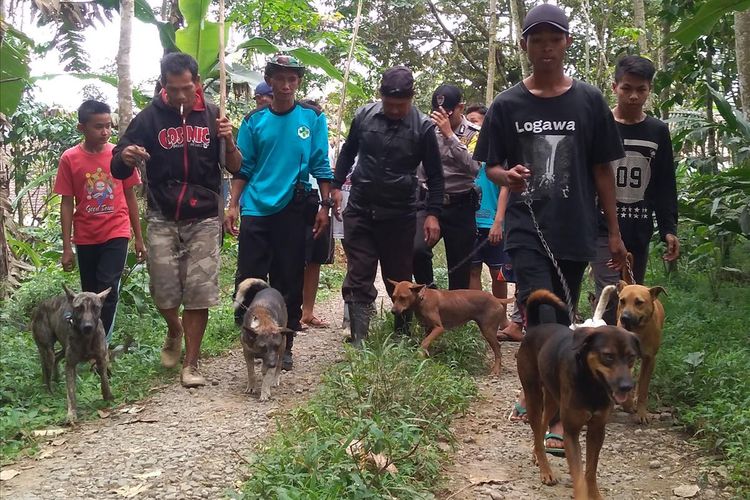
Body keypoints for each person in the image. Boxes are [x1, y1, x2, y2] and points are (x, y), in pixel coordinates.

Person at [474, 3, 626, 453]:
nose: (545, 48)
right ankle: (552, 409)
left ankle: (547, 398)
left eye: (553, 39)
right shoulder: (507, 104)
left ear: (566, 43)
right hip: (527, 225)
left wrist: (613, 232)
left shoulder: (590, 100)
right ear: (524, 45)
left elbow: (602, 170)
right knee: (540, 313)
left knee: (562, 318)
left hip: (576, 226)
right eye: (536, 39)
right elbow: (493, 167)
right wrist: (507, 178)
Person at [111, 52, 242, 387]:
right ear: (163, 86)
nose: (181, 96)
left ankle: (192, 364)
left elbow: (237, 167)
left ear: (197, 83)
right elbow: (117, 164)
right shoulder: (148, 118)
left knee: (199, 291)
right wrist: (125, 156)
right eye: (173, 89)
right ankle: (174, 328)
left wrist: (227, 140)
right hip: (162, 214)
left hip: (203, 216)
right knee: (163, 291)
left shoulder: (214, 115)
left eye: (187, 88)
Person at [225, 55, 333, 370]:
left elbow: (320, 164)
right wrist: (233, 204)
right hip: (257, 207)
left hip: (294, 208)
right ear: (269, 81)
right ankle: (252, 337)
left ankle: (284, 344)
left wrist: (325, 206)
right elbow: (243, 168)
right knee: (251, 277)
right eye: (280, 79)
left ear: (298, 82)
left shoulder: (312, 118)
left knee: (289, 277)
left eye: (292, 79)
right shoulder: (253, 121)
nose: (286, 86)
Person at [330, 65, 444, 346]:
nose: (394, 110)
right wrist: (335, 186)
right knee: (359, 272)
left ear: (412, 98)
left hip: (400, 213)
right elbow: (347, 152)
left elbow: (436, 174)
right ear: (380, 97)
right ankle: (359, 339)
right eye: (389, 104)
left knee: (400, 276)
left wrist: (433, 214)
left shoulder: (424, 127)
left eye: (400, 105)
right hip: (360, 207)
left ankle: (401, 338)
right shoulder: (364, 116)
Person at [54, 100, 145, 345]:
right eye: (98, 127)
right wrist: (66, 248)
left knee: (108, 289)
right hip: (85, 235)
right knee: (89, 295)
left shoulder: (119, 156)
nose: (105, 132)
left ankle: (100, 344)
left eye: (108, 126)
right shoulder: (70, 159)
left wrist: (138, 237)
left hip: (116, 230)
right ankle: (87, 340)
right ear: (81, 127)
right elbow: (66, 203)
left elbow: (130, 196)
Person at [591, 55, 679, 294]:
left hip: (638, 227)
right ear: (614, 87)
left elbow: (664, 183)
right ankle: (605, 330)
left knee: (632, 294)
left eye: (641, 90)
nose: (633, 96)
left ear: (649, 90)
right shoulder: (600, 124)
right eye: (626, 88)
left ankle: (621, 333)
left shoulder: (657, 131)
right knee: (610, 293)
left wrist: (668, 229)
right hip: (600, 226)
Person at [412, 84, 481, 290]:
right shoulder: (426, 129)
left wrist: (450, 136)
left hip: (460, 205)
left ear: (461, 107)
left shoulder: (474, 134)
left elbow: (474, 168)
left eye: (448, 113)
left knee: (460, 269)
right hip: (429, 202)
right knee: (416, 250)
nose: (443, 118)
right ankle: (430, 297)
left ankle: (455, 318)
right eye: (438, 113)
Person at [298, 99, 335, 329]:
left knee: (315, 259)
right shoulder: (295, 134)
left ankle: (307, 311)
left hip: (320, 200)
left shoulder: (326, 143)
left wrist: (327, 204)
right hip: (299, 196)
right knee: (294, 258)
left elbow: (327, 170)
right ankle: (292, 309)